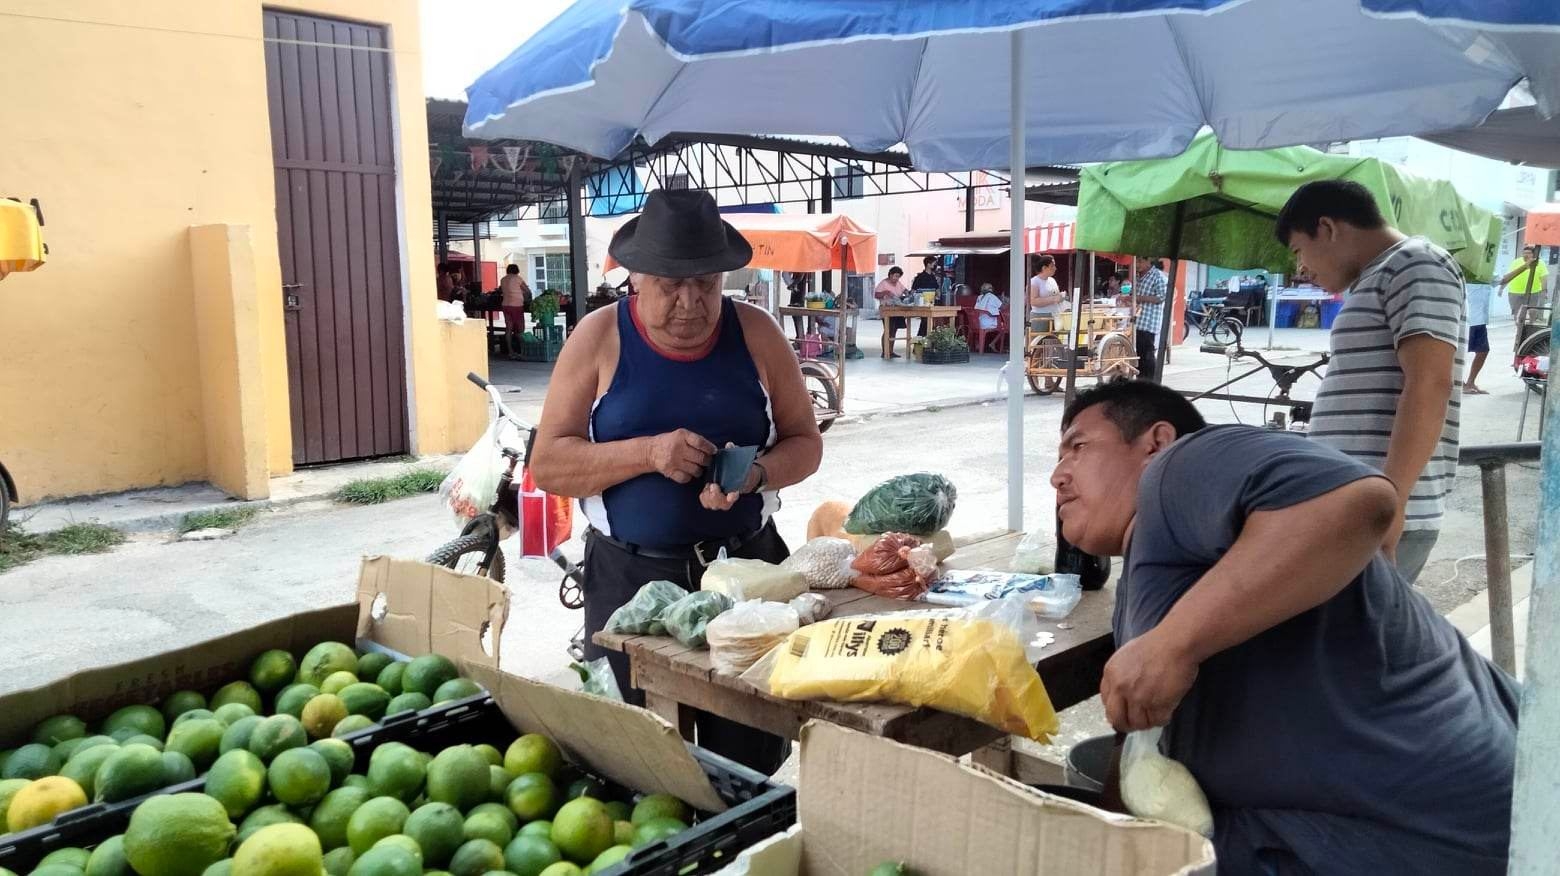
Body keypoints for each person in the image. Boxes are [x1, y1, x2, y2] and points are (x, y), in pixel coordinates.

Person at [1052, 380, 1517, 874]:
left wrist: (1173, 645)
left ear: (1156, 441)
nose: (1057, 476)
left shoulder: (1178, 468)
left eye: (1078, 447)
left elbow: (1359, 503)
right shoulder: (1148, 573)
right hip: (1335, 828)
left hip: (1436, 835)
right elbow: (1136, 737)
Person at [528, 189, 823, 775]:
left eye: (707, 284)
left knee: (747, 756)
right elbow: (550, 465)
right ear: (635, 277)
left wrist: (757, 474)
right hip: (628, 577)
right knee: (637, 757)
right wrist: (647, 453)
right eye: (671, 286)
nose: (691, 303)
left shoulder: (758, 333)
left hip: (747, 575)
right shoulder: (598, 336)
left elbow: (805, 443)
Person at [1277, 179, 1464, 584]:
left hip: (1378, 512)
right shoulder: (1377, 276)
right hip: (1358, 507)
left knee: (1347, 642)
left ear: (1326, 228)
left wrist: (1391, 502)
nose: (1301, 269)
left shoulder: (1415, 262)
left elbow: (1430, 383)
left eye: (1299, 251)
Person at [1121, 257, 1167, 382]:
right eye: (1137, 261)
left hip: (1149, 322)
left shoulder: (1158, 276)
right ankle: (1142, 381)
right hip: (1137, 320)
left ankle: (1152, 382)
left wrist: (1138, 298)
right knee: (1139, 353)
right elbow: (1136, 296)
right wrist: (1129, 299)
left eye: (1140, 261)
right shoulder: (1139, 277)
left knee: (1147, 354)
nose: (1137, 264)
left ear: (1149, 261)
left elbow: (1161, 297)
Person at [1498, 243, 1547, 320]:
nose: (1526, 255)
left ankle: (1531, 325)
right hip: (1515, 292)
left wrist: (1544, 291)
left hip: (1533, 292)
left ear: (1533, 254)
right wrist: (1501, 288)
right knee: (1517, 314)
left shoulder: (1540, 263)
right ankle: (1519, 330)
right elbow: (1509, 276)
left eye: (1528, 253)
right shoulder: (1516, 262)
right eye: (1524, 253)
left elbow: (1544, 278)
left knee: (1532, 312)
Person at [874, 266, 911, 358]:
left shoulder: (898, 283)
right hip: (886, 309)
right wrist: (885, 292)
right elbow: (876, 294)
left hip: (896, 309)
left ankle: (891, 351)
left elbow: (904, 290)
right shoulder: (884, 283)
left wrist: (907, 292)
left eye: (898, 276)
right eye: (895, 276)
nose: (896, 278)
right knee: (888, 330)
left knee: (894, 330)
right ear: (890, 275)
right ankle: (885, 351)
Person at [499, 264, 533, 360]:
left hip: (505, 305)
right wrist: (528, 298)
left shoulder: (503, 279)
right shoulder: (517, 278)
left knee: (509, 329)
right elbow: (527, 291)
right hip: (516, 306)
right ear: (517, 270)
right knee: (520, 329)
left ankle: (511, 352)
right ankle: (522, 351)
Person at [1465, 280, 1492, 395]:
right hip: (1468, 319)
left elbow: (1502, 280)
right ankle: (1459, 383)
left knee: (1483, 351)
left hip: (1480, 320)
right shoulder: (1465, 271)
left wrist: (1525, 266)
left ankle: (1470, 382)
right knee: (1459, 353)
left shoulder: (1487, 272)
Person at [1028, 254, 1062, 330]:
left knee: (1055, 340)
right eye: (1052, 266)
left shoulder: (1052, 280)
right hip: (1040, 317)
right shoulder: (1034, 281)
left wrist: (1061, 297)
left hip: (1055, 316)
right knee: (1040, 341)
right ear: (1044, 268)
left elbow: (1057, 296)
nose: (1055, 268)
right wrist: (1053, 299)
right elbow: (1033, 301)